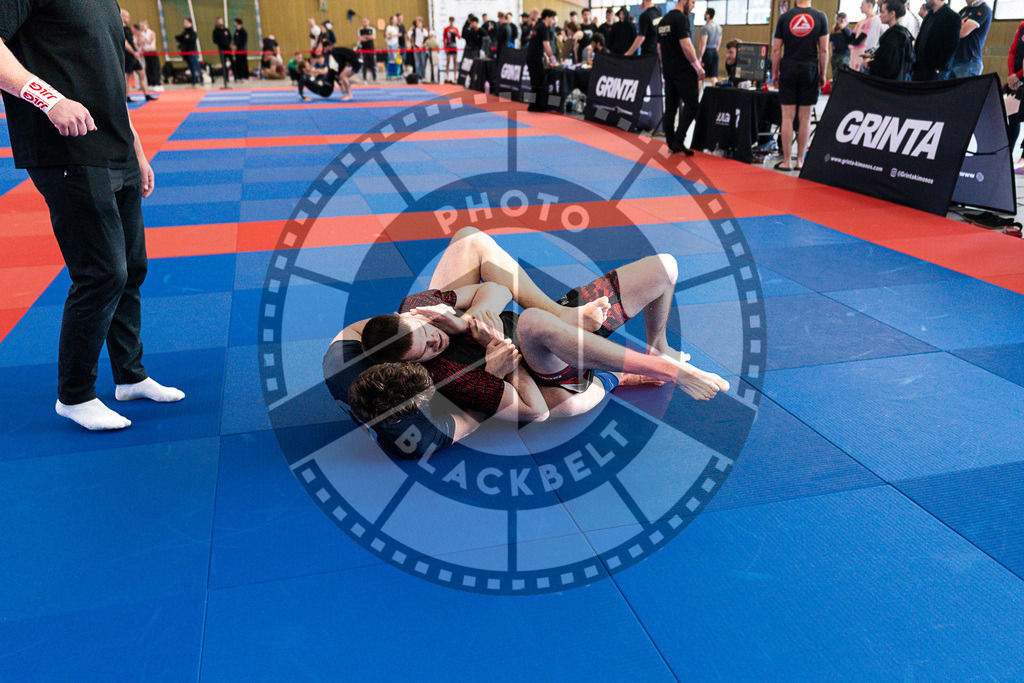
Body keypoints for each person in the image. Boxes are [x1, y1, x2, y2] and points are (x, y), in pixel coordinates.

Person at [332, 228, 728, 456]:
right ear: (419, 364)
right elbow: (535, 412)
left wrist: (466, 320)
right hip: (552, 371)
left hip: (555, 329)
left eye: (427, 332)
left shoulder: (421, 308)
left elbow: (494, 289)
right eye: (429, 346)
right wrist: (502, 364)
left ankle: (653, 346)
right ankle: (667, 369)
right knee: (537, 327)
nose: (434, 338)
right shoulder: (454, 375)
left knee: (666, 267)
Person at [0, 0, 185, 431]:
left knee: (132, 268)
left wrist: (136, 149)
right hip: (64, 146)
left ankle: (130, 375)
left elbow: (107, 78)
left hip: (115, 144)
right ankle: (75, 394)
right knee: (102, 272)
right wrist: (47, 99)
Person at [771, 0, 828, 171]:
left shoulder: (785, 17)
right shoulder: (820, 17)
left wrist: (775, 73)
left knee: (787, 117)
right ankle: (800, 161)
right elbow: (824, 50)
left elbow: (776, 49)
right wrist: (823, 73)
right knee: (805, 118)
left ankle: (787, 161)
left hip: (788, 67)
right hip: (809, 69)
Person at [658, 0, 703, 156]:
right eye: (692, 2)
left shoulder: (663, 21)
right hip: (683, 71)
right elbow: (686, 45)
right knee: (692, 104)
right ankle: (679, 139)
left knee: (671, 107)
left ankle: (671, 141)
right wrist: (698, 67)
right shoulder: (681, 19)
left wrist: (665, 66)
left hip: (669, 71)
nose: (693, 5)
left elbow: (659, 48)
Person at [866, 0, 915, 80]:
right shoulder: (901, 33)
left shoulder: (894, 36)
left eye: (882, 12)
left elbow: (888, 66)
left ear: (892, 13)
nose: (880, 15)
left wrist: (869, 64)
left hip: (888, 84)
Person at [912, 0, 960, 81]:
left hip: (935, 70)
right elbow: (921, 37)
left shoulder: (951, 16)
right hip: (920, 67)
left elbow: (952, 45)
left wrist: (939, 66)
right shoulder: (929, 15)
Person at [527, 9, 558, 113]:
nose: (553, 21)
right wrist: (553, 59)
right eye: (553, 19)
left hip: (532, 57)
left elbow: (539, 46)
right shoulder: (543, 27)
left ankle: (532, 105)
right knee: (538, 81)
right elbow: (546, 46)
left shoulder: (537, 25)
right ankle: (537, 106)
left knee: (535, 82)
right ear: (547, 17)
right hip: (534, 58)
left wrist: (546, 59)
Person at [950, 0, 992, 78]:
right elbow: (948, 27)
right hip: (956, 59)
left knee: (964, 90)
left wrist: (957, 26)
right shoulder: (964, 10)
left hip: (969, 61)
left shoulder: (983, 9)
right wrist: (959, 25)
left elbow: (962, 32)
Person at [121, 10, 155, 103]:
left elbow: (132, 42)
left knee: (141, 74)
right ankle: (127, 96)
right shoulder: (120, 29)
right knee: (127, 77)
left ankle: (146, 94)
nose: (129, 18)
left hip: (134, 55)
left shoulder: (128, 29)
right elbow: (125, 43)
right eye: (127, 16)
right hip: (128, 55)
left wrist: (137, 49)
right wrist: (133, 52)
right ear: (122, 17)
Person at [1006, 20, 1024, 172]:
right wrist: (1012, 74)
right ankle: (1007, 154)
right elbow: (1013, 51)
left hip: (1020, 77)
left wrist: (1018, 76)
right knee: (1012, 115)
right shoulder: (1022, 26)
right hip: (1017, 81)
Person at [848, 0, 877, 71]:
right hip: (854, 52)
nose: (860, 7)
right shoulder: (860, 22)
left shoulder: (873, 20)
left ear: (869, 5)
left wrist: (852, 44)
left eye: (862, 5)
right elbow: (851, 38)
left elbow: (862, 37)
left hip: (862, 52)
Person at [175, 17, 202, 87]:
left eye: (187, 22)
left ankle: (201, 80)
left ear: (191, 23)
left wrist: (185, 39)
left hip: (192, 52)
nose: (185, 24)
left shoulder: (193, 32)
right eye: (184, 22)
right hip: (186, 53)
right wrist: (184, 38)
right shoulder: (184, 33)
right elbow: (180, 39)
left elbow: (190, 40)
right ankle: (193, 82)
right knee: (190, 68)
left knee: (196, 67)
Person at [699, 8, 722, 85]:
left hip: (707, 52)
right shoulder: (719, 28)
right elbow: (718, 44)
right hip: (715, 52)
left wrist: (700, 57)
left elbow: (703, 43)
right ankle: (716, 96)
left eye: (705, 14)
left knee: (700, 76)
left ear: (708, 15)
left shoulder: (705, 28)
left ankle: (697, 96)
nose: (704, 15)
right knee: (713, 77)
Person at [138, 20, 161, 91]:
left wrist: (143, 38)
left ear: (147, 25)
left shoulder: (151, 33)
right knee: (148, 68)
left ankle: (157, 83)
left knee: (154, 68)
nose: (142, 27)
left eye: (143, 25)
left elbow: (150, 42)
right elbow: (141, 44)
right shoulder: (141, 34)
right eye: (141, 26)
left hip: (152, 51)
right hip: (146, 52)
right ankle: (150, 83)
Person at [212, 17, 233, 88]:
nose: (220, 22)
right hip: (221, 49)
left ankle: (236, 77)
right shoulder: (216, 31)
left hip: (228, 48)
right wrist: (221, 43)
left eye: (221, 21)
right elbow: (214, 40)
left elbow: (230, 37)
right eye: (219, 21)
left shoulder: (226, 30)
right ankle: (226, 79)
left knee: (232, 61)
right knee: (224, 64)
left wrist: (227, 43)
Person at [443, 17, 461, 83]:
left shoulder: (455, 29)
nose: (451, 22)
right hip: (448, 45)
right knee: (448, 61)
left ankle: (455, 76)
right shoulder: (446, 29)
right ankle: (447, 76)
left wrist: (456, 33)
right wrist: (445, 47)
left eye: (452, 21)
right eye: (450, 21)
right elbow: (444, 38)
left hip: (454, 46)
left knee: (455, 62)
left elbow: (459, 37)